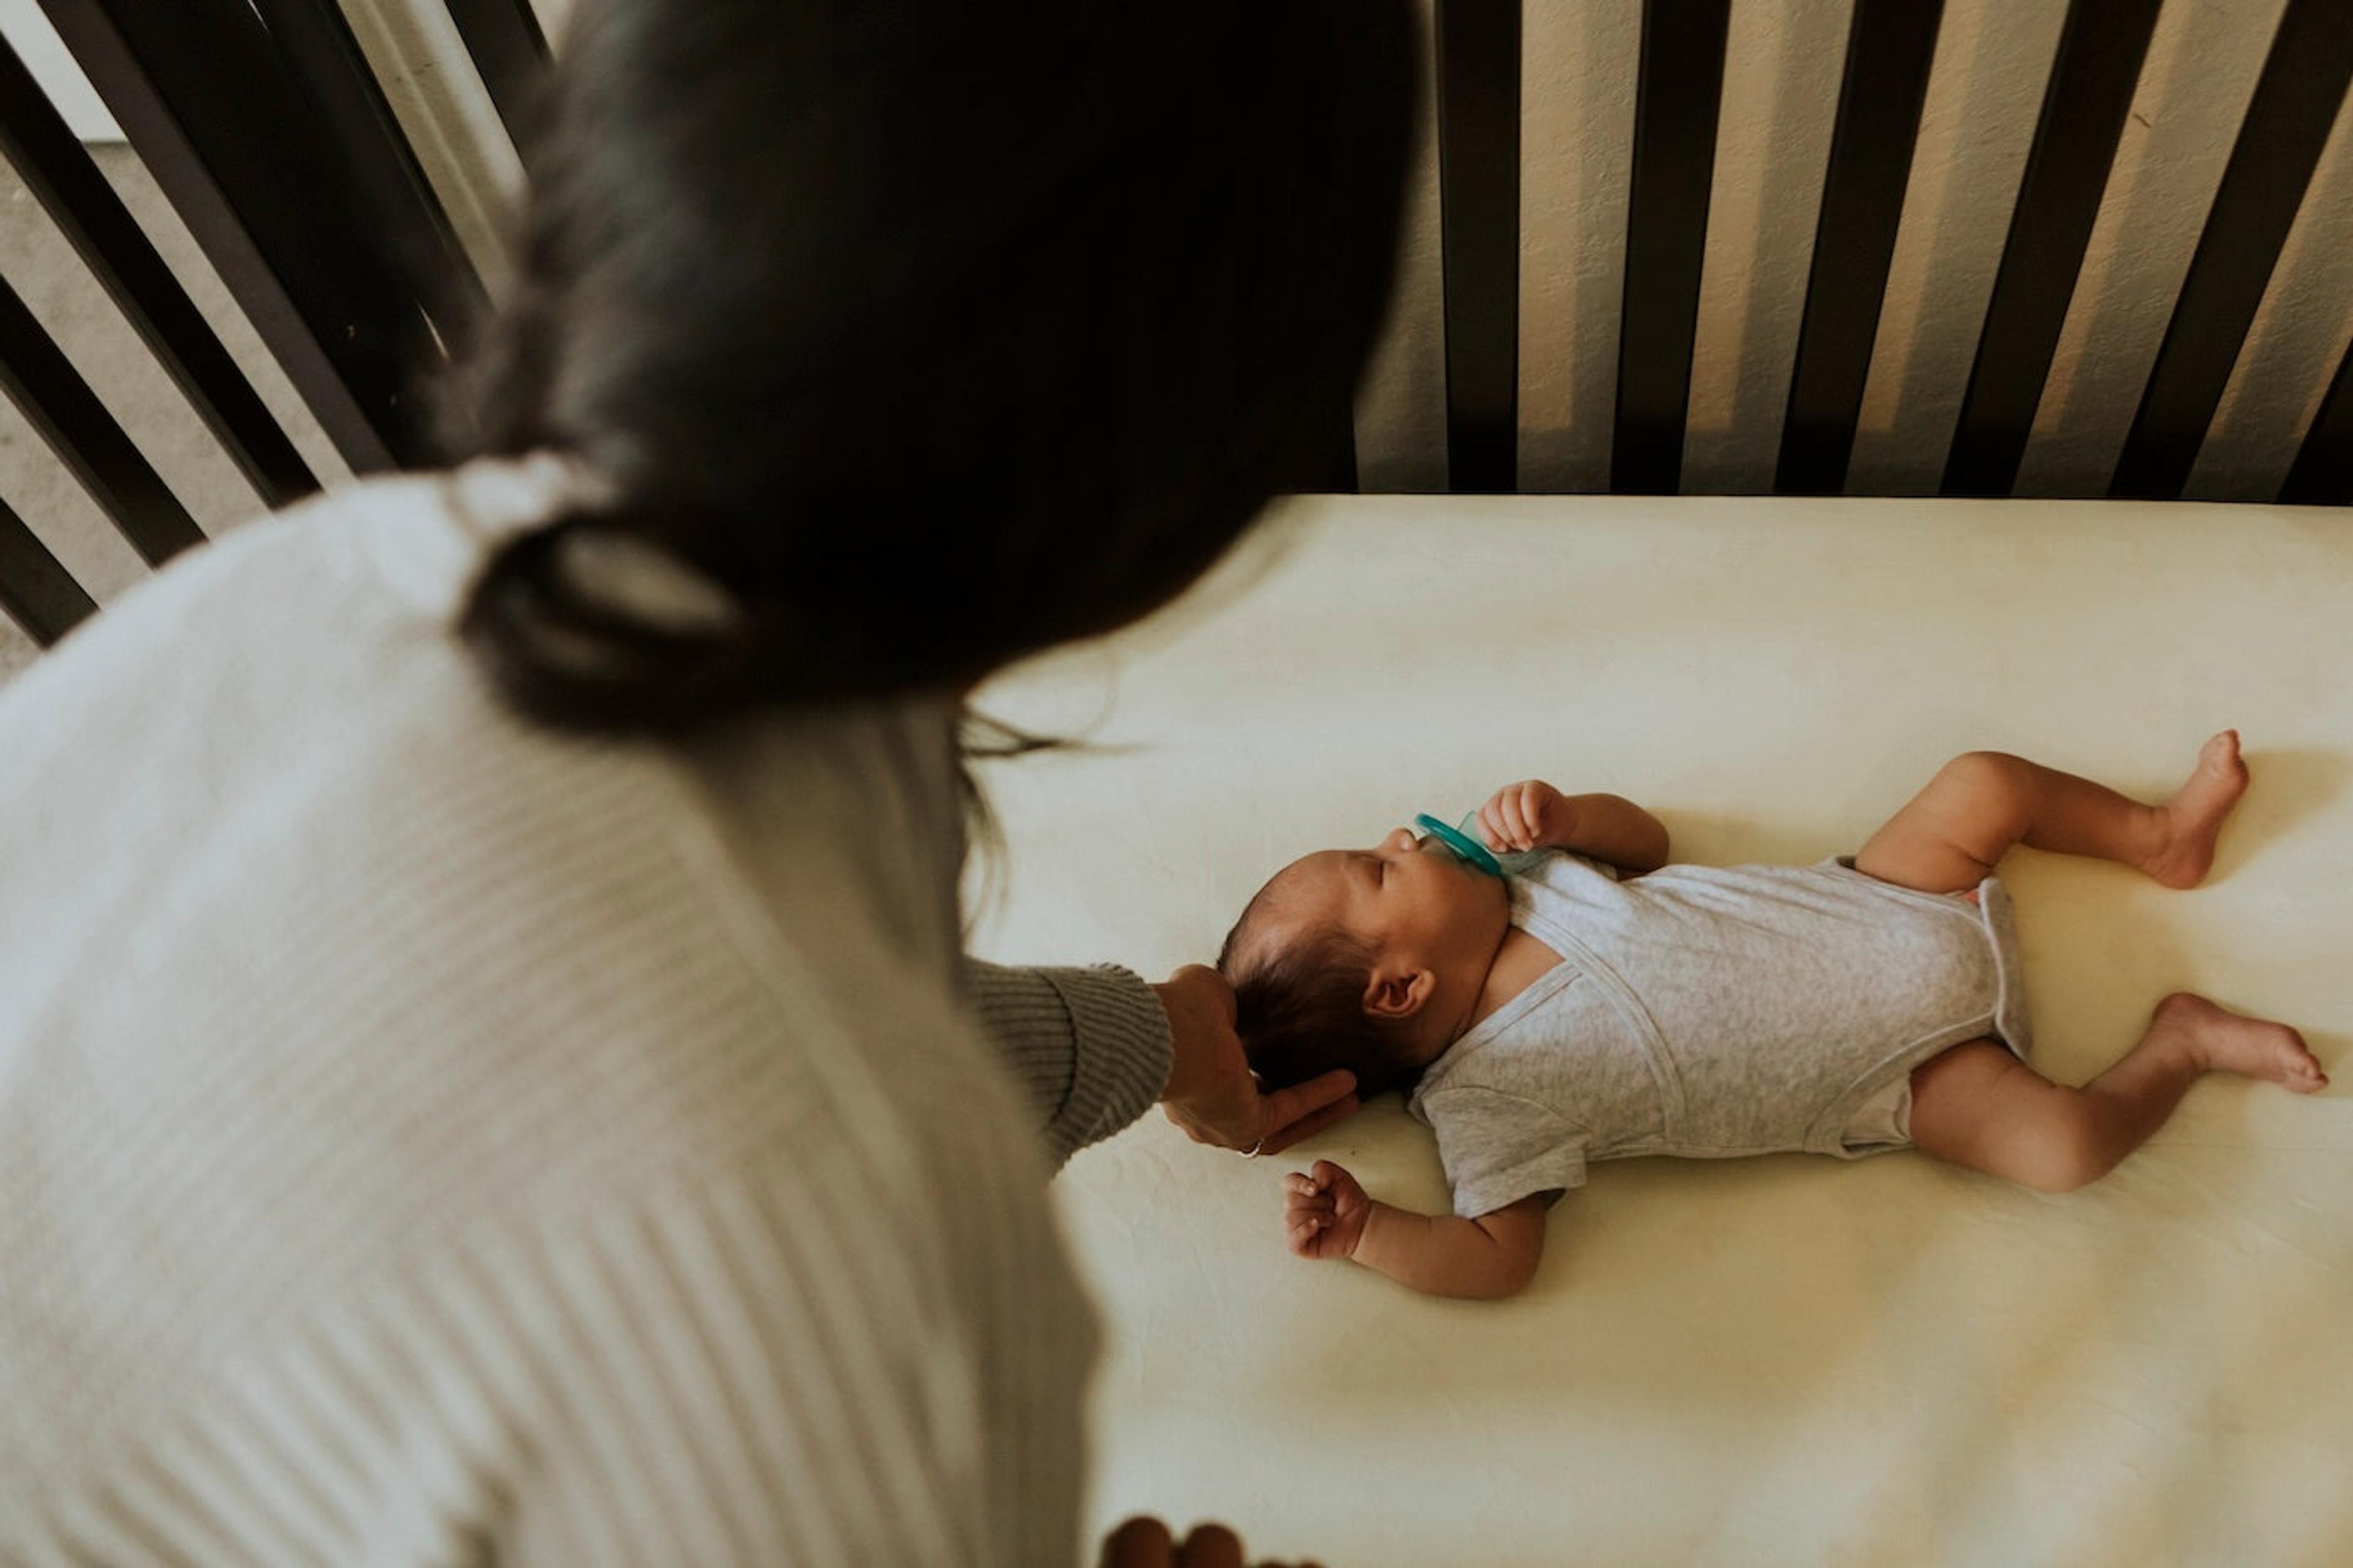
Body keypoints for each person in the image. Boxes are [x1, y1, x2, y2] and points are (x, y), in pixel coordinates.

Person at [0, 2, 1411, 1562]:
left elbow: (740, 1021)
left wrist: (1155, 1035)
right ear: (1175, 518)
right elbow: (787, 1096)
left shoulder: (282, 593)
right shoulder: (884, 1315)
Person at [1220, 734, 2327, 1301]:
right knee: (2065, 1146)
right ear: (1399, 991)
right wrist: (1372, 1233)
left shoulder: (1531, 877)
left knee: (1983, 779)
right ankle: (2180, 1042)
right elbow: (1500, 1255)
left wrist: (1569, 813)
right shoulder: (1486, 1097)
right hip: (1914, 1077)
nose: (1406, 839)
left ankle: (2157, 837)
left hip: (1890, 892)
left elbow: (1648, 845)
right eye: (1380, 869)